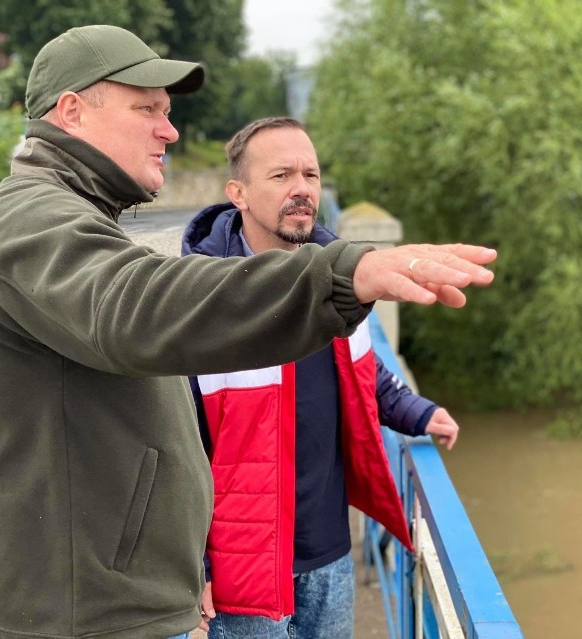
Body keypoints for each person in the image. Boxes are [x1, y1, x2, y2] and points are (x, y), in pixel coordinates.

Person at [0, 25, 497, 639]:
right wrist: (342, 274)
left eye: (168, 113)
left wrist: (412, 410)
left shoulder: (68, 216)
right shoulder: (25, 221)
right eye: (146, 108)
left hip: (124, 603)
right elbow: (137, 305)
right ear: (72, 111)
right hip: (85, 618)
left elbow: (363, 381)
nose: (169, 131)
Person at [181, 117, 463, 638]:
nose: (302, 190)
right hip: (242, 568)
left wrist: (421, 413)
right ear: (237, 193)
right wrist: (194, 569)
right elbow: (178, 447)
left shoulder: (340, 285)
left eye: (310, 175)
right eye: (282, 175)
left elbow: (366, 376)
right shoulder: (200, 303)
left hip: (330, 554)